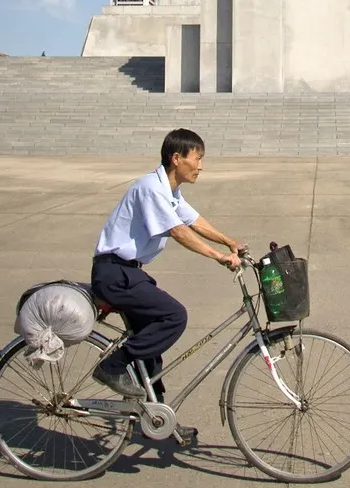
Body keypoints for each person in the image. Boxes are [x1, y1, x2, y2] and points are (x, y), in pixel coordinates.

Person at [91, 128, 245, 444]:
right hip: (114, 274)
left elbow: (194, 221)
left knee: (151, 352)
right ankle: (113, 366)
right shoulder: (151, 188)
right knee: (173, 316)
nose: (200, 166)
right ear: (177, 158)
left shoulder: (170, 190)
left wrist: (232, 243)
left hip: (128, 273)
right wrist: (219, 256)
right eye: (197, 158)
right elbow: (177, 231)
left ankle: (157, 416)